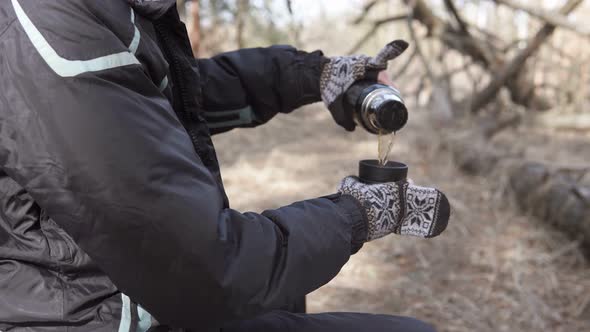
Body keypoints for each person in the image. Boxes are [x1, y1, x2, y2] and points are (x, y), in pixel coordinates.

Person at [0, 0, 450, 331]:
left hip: (131, 298)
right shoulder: (52, 29)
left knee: (288, 296)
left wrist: (312, 74)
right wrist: (359, 214)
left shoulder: (108, 12)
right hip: (94, 317)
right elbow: (204, 269)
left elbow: (162, 97)